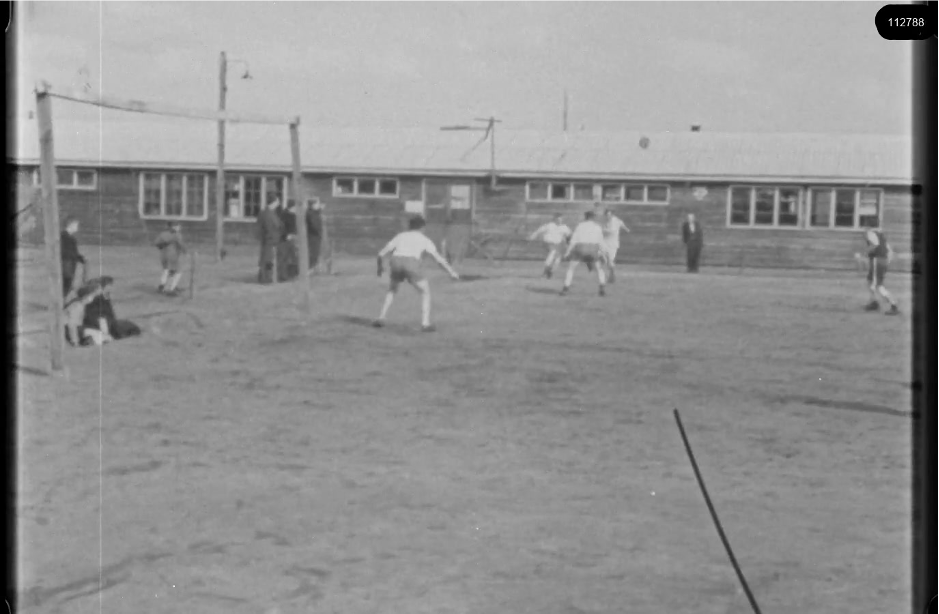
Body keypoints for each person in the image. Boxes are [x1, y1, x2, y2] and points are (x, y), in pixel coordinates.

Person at [373, 215, 460, 332]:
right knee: (425, 292)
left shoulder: (400, 236)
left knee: (392, 290)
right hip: (411, 263)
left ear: (409, 226)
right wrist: (451, 272)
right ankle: (425, 323)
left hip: (396, 261)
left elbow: (381, 254)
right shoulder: (424, 239)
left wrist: (379, 268)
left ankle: (381, 317)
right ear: (422, 227)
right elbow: (438, 259)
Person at [560, 211, 608, 296]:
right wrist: (604, 253)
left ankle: (565, 288)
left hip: (581, 248)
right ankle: (602, 288)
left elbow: (574, 240)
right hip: (593, 249)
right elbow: (600, 241)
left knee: (571, 268)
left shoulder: (580, 226)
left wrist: (567, 252)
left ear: (585, 217)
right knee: (599, 269)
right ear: (593, 218)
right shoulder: (597, 227)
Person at [861, 224, 899, 315]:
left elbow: (875, 244)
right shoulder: (881, 235)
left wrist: (865, 253)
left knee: (878, 285)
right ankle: (874, 302)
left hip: (877, 260)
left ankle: (893, 305)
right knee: (870, 280)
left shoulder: (870, 233)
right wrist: (886, 261)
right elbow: (890, 251)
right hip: (882, 260)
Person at [528, 213, 571, 279]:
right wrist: (532, 236)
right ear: (554, 219)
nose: (559, 220)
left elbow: (569, 236)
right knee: (553, 253)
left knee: (557, 258)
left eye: (561, 219)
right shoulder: (549, 225)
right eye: (558, 219)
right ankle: (547, 271)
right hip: (548, 243)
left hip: (558, 245)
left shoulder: (564, 227)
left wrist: (568, 243)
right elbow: (539, 231)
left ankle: (549, 272)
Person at [154, 222, 187, 295]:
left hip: (163, 255)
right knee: (176, 272)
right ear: (173, 227)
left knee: (166, 270)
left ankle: (162, 286)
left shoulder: (162, 233)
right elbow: (181, 244)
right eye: (178, 226)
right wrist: (185, 251)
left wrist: (164, 244)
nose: (179, 228)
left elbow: (156, 243)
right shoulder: (177, 234)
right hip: (172, 255)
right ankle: (170, 288)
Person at [257, 196, 284, 284]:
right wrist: (269, 238)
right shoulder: (266, 213)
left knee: (269, 260)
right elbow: (265, 228)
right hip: (269, 240)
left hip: (273, 240)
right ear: (274, 203)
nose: (278, 204)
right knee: (267, 260)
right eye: (277, 202)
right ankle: (265, 278)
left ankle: (267, 276)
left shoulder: (272, 213)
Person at [601, 208, 630, 283]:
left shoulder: (615, 221)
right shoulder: (607, 221)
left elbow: (612, 231)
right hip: (605, 243)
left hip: (612, 244)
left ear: (612, 215)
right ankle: (609, 275)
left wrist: (602, 230)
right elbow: (621, 224)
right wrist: (626, 229)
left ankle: (611, 276)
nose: (608, 216)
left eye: (609, 215)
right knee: (605, 260)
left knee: (610, 260)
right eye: (607, 215)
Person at [61, 217, 86, 300]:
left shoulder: (69, 237)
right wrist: (78, 257)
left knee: (67, 286)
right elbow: (67, 252)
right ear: (70, 225)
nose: (77, 227)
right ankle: (62, 302)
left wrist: (80, 258)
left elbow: (72, 252)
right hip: (66, 266)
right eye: (76, 225)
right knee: (66, 286)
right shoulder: (64, 237)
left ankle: (63, 301)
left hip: (69, 266)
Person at [306, 198, 324, 271]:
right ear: (313, 205)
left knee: (316, 252)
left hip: (315, 235)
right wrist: (318, 232)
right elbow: (314, 225)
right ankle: (310, 268)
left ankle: (313, 267)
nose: (319, 205)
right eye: (317, 204)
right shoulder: (310, 213)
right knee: (313, 252)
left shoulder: (314, 212)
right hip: (313, 236)